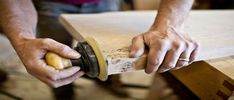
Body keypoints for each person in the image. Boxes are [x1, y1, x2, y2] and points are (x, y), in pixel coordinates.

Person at [0, 0, 199, 99]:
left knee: (114, 51)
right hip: (51, 3)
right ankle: (64, 93)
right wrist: (23, 40)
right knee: (53, 50)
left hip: (106, 2)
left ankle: (110, 80)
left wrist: (170, 24)